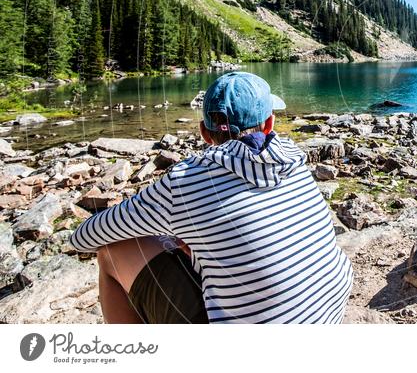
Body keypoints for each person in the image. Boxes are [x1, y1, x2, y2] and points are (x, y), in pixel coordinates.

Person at [70, 72, 353, 324]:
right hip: (327, 317)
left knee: (110, 254)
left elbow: (84, 238)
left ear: (205, 133)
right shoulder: (294, 160)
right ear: (269, 124)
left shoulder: (183, 182)